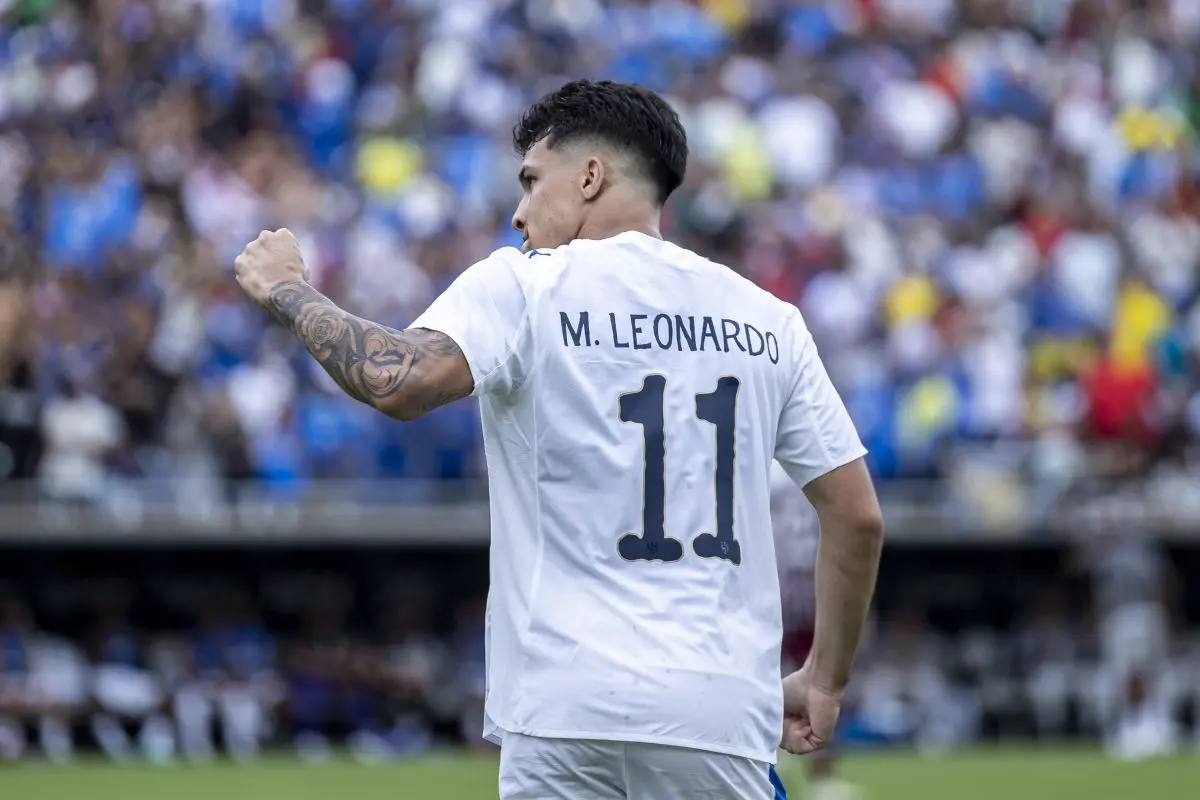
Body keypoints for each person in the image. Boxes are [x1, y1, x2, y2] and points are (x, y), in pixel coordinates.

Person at [234, 80, 883, 799]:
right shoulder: (767, 320)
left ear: (591, 175)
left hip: (563, 707)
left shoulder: (525, 286)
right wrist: (825, 679)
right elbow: (856, 517)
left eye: (531, 180)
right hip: (717, 710)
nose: (518, 212)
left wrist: (288, 290)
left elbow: (397, 380)